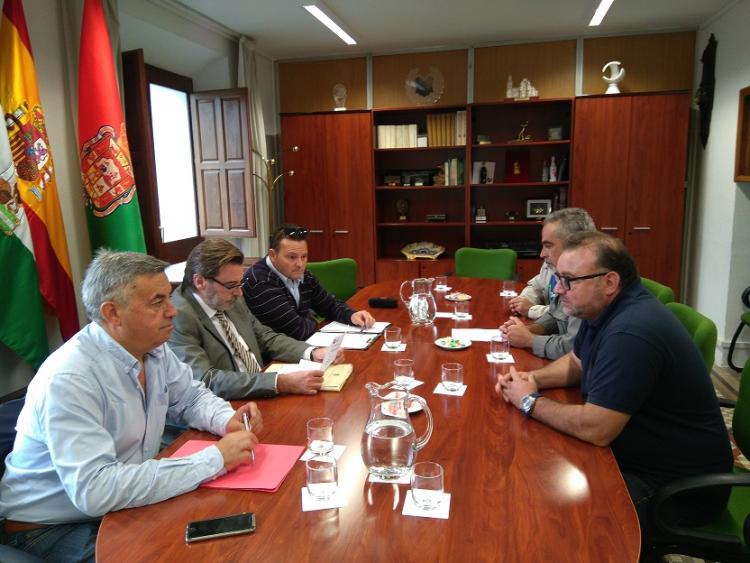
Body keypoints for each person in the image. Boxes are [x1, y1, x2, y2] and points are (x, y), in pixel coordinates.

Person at [0, 250, 263, 561]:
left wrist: (225, 418)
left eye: (169, 297)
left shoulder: (152, 348)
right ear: (112, 313)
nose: (173, 311)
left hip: (120, 501)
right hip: (50, 527)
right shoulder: (70, 377)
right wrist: (215, 458)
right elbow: (96, 491)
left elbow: (191, 396)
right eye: (157, 302)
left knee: (235, 535)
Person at [497, 231, 732, 544]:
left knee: (557, 524)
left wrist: (529, 402)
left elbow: (597, 429)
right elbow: (577, 364)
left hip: (675, 489)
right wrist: (532, 381)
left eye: (569, 280)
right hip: (635, 458)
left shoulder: (631, 332)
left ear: (609, 282)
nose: (559, 290)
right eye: (558, 278)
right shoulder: (601, 310)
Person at [169, 238, 344, 399]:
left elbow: (265, 337)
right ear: (200, 282)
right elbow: (206, 380)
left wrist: (312, 352)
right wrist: (279, 383)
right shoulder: (178, 316)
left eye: (240, 283)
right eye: (231, 286)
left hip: (262, 388)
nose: (239, 293)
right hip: (228, 405)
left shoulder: (230, 297)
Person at [243, 224, 375, 340]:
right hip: (275, 359)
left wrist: (352, 315)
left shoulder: (301, 274)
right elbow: (297, 331)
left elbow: (329, 304)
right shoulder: (259, 282)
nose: (300, 264)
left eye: (304, 256)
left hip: (305, 346)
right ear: (272, 255)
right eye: (292, 257)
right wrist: (312, 318)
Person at [502, 208, 596, 359]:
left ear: (576, 245)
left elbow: (574, 349)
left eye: (548, 245)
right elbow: (556, 315)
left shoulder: (588, 282)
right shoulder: (564, 273)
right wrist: (528, 330)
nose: (541, 254)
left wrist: (530, 340)